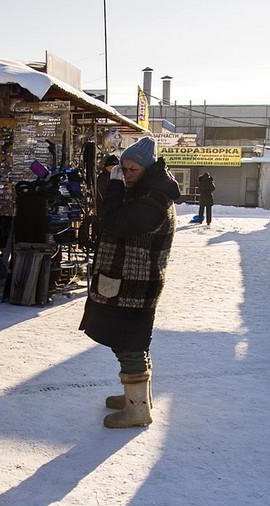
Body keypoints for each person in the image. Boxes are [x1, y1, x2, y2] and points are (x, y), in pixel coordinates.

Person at [79, 137, 180, 428]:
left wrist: (113, 188)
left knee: (130, 344)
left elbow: (115, 222)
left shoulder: (154, 199)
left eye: (132, 170)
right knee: (131, 342)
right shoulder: (146, 191)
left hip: (134, 285)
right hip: (127, 282)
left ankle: (137, 410)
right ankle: (137, 398)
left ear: (147, 168)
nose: (126, 175)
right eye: (123, 169)